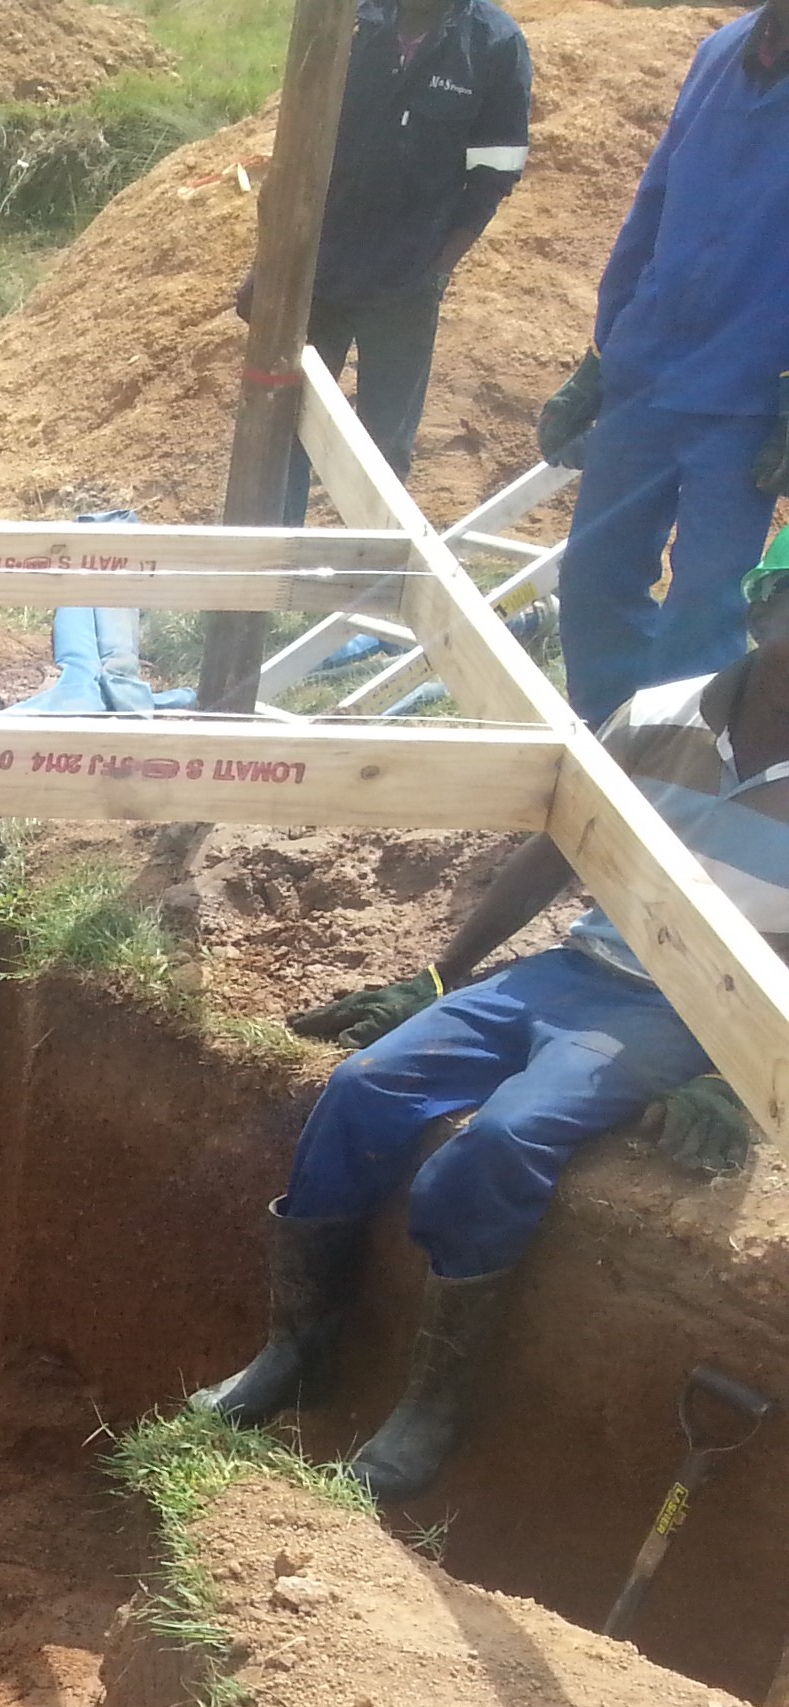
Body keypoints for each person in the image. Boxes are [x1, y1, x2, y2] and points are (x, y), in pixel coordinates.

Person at [191, 536, 789, 1503]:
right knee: (363, 1087)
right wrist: (441, 974)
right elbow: (556, 848)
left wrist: (744, 1067)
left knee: (504, 1139)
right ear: (765, 615)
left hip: (695, 1008)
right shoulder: (657, 715)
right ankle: (298, 1352)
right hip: (575, 968)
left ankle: (430, 1409)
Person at [537, 0, 789, 724]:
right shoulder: (721, 53)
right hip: (649, 371)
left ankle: (679, 771)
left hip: (751, 395)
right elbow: (653, 205)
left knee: (704, 605)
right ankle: (607, 739)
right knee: (595, 577)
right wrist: (603, 350)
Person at [240, 0, 530, 523]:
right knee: (285, 432)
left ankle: (365, 585)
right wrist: (271, 265)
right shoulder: (347, 22)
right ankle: (272, 578)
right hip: (317, 271)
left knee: (385, 447)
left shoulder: (493, 45)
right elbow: (298, 149)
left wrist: (436, 271)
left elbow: (493, 175)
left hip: (406, 283)